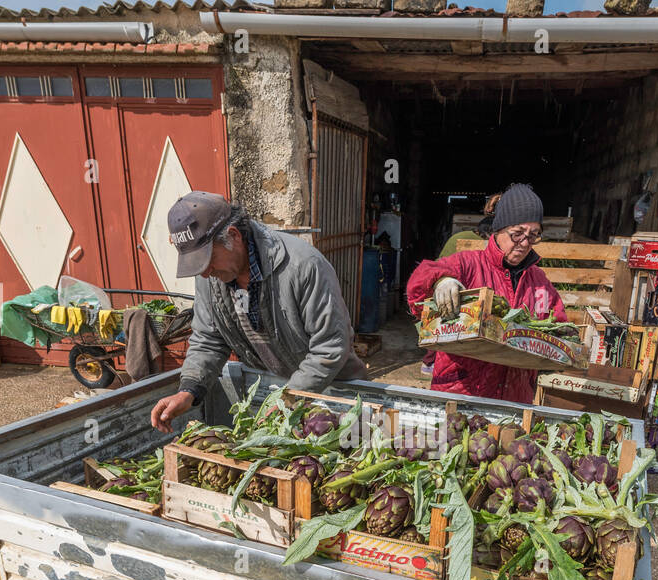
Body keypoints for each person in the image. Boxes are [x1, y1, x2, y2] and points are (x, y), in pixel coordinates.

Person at [150, 191, 367, 432]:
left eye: (206, 260)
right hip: (275, 393)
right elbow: (208, 340)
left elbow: (330, 346)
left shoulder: (303, 266)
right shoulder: (211, 276)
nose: (203, 272)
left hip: (333, 393)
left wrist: (288, 400)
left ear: (233, 236)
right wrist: (189, 390)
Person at [405, 183, 569, 403]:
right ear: (498, 229)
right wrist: (440, 282)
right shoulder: (468, 264)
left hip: (515, 397)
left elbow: (557, 323)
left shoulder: (539, 282)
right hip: (462, 394)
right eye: (517, 234)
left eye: (533, 235)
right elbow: (421, 281)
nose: (524, 243)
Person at [419, 193, 502, 376]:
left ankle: (431, 361)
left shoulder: (466, 238)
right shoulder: (465, 242)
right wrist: (444, 280)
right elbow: (436, 269)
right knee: (446, 319)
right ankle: (431, 361)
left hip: (465, 294)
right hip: (454, 289)